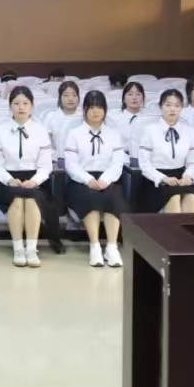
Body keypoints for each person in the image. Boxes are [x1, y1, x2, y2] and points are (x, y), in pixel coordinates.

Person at [0, 86, 54, 268]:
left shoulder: (41, 130)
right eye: (16, 103)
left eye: (25, 103)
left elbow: (46, 166)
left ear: (32, 106)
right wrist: (9, 180)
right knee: (17, 199)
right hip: (7, 179)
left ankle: (31, 249)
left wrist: (35, 181)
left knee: (32, 199)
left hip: (35, 178)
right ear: (10, 106)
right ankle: (18, 248)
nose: (21, 107)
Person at [64, 90, 127, 267]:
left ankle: (112, 247)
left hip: (108, 178)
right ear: (84, 110)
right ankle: (95, 246)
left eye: (99, 107)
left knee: (113, 197)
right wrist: (88, 180)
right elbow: (71, 164)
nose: (96, 111)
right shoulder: (74, 133)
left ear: (105, 110)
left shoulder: (113, 134)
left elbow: (117, 163)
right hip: (81, 180)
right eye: (91, 107)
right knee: (90, 198)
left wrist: (105, 180)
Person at [139, 89, 194, 213]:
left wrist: (189, 176)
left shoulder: (189, 131)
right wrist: (163, 178)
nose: (172, 109)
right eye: (168, 105)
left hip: (181, 177)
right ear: (160, 107)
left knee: (191, 197)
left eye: (177, 105)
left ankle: (188, 226)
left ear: (182, 108)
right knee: (174, 197)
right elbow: (145, 164)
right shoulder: (149, 131)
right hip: (155, 179)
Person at [43, 80, 81, 147]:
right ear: (60, 98)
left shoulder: (84, 117)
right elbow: (44, 141)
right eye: (66, 95)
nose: (70, 99)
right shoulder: (51, 116)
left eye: (74, 95)